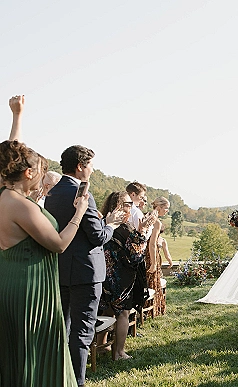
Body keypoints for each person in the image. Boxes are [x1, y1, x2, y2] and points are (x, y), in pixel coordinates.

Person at [0, 97, 90, 386]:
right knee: (33, 350)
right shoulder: (21, 206)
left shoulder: (3, 195)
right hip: (31, 289)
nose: (41, 175)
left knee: (17, 351)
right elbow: (59, 243)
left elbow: (11, 156)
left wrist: (18, 117)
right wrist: (79, 212)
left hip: (9, 282)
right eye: (38, 170)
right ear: (28, 173)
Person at [44, 145, 124, 386]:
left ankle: (59, 376)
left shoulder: (53, 192)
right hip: (86, 273)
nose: (92, 170)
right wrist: (110, 225)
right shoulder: (82, 195)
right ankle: (76, 382)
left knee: (63, 329)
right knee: (81, 333)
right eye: (90, 165)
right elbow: (97, 237)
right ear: (80, 167)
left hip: (60, 270)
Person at [98, 191, 156, 360]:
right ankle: (119, 352)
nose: (130, 209)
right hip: (120, 279)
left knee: (106, 311)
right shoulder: (124, 228)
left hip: (103, 277)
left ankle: (101, 347)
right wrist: (142, 231)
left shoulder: (103, 223)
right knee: (123, 313)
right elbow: (135, 255)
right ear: (119, 206)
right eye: (128, 205)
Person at [146, 197, 171, 316]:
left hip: (143, 253)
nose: (167, 211)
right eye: (166, 208)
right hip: (150, 254)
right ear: (159, 207)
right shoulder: (156, 222)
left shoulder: (146, 215)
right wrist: (154, 262)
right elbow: (152, 244)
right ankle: (152, 310)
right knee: (152, 281)